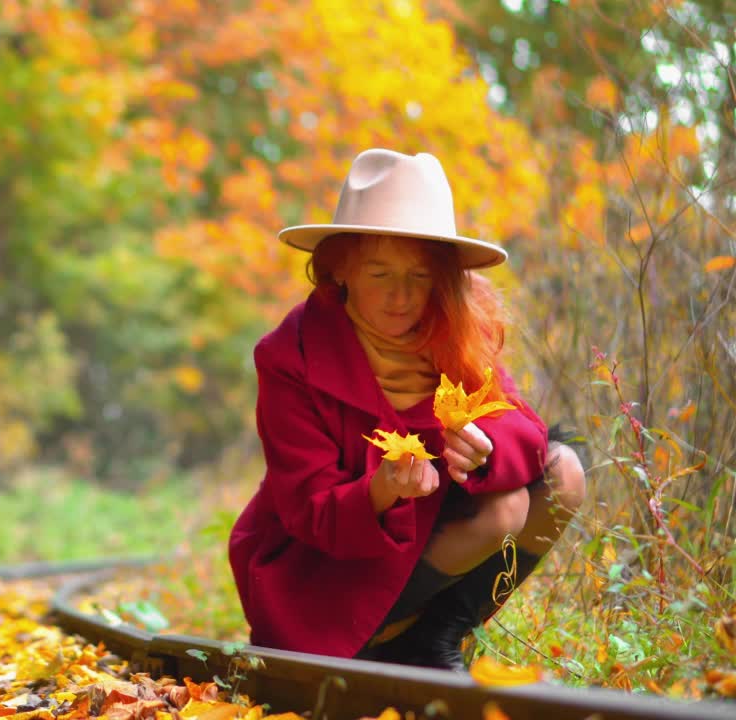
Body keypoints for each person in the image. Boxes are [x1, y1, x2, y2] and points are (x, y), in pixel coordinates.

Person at [227, 148, 587, 670]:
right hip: (321, 571)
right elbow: (308, 508)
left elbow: (518, 423)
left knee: (563, 475)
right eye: (380, 274)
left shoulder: (456, 327)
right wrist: (381, 490)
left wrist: (484, 452)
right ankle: (372, 639)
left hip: (429, 537)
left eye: (418, 277)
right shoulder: (290, 355)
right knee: (504, 511)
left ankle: (434, 639)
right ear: (341, 268)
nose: (400, 297)